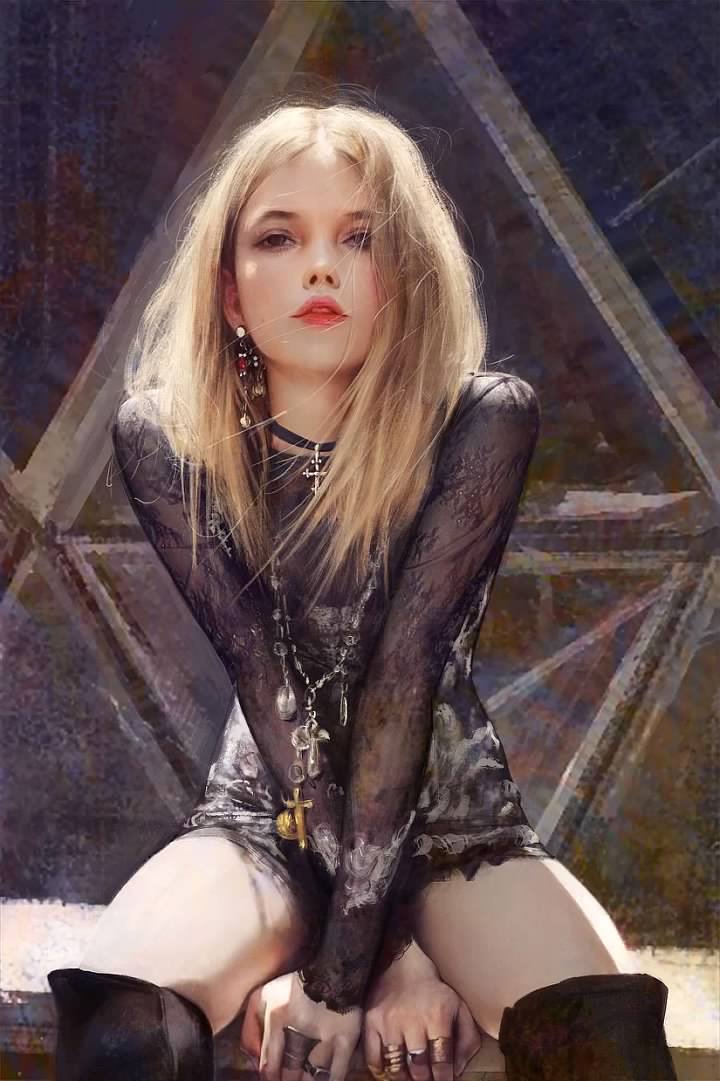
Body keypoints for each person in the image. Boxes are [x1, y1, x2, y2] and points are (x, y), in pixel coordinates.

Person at [47, 95, 678, 1081]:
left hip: (450, 829)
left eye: (359, 237)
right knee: (124, 1031)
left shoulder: (483, 418)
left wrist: (362, 968)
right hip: (269, 818)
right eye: (279, 237)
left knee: (604, 1039)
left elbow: (402, 672)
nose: (320, 266)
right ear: (229, 292)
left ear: (407, 276)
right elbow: (267, 681)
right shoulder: (165, 436)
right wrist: (362, 962)